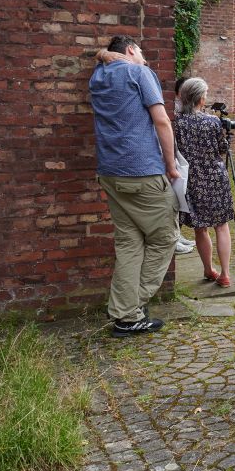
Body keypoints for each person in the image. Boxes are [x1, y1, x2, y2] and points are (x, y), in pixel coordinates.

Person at [90, 36, 178, 337]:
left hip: (110, 172)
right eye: (140, 51)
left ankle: (125, 314)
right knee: (166, 237)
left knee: (129, 243)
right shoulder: (139, 73)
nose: (144, 57)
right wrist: (171, 165)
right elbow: (162, 122)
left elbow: (101, 56)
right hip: (142, 171)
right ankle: (129, 309)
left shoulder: (98, 75)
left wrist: (104, 54)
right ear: (130, 50)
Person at [174, 78, 234, 288]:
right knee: (221, 226)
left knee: (201, 228)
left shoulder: (177, 122)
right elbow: (222, 149)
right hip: (215, 177)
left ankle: (208, 269)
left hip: (192, 178)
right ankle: (225, 274)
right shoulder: (212, 122)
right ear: (200, 98)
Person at [172, 78, 196, 255]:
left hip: (184, 161)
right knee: (176, 199)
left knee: (181, 200)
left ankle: (177, 235)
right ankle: (174, 238)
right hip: (178, 161)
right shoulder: (175, 111)